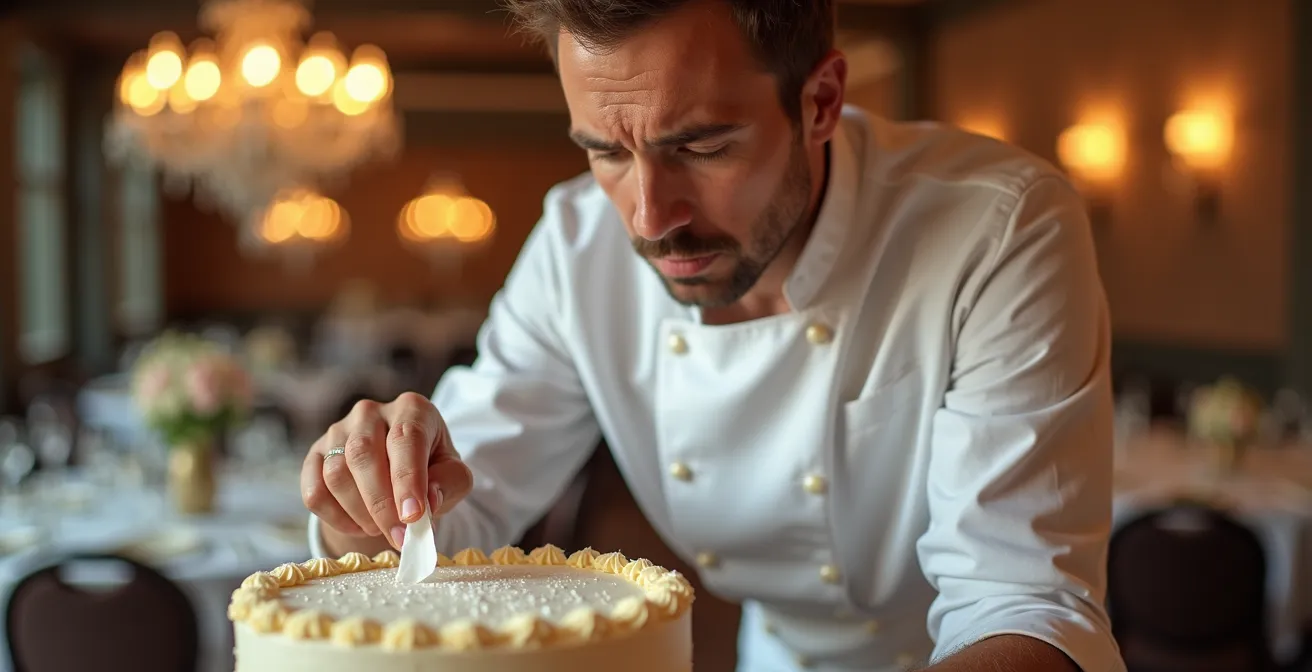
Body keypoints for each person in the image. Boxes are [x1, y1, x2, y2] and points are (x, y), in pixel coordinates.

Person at [300, 1, 1125, 670]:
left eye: (700, 145)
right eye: (605, 154)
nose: (651, 219)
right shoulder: (576, 246)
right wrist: (369, 498)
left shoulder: (999, 224)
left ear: (821, 102)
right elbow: (453, 512)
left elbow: (1024, 601)